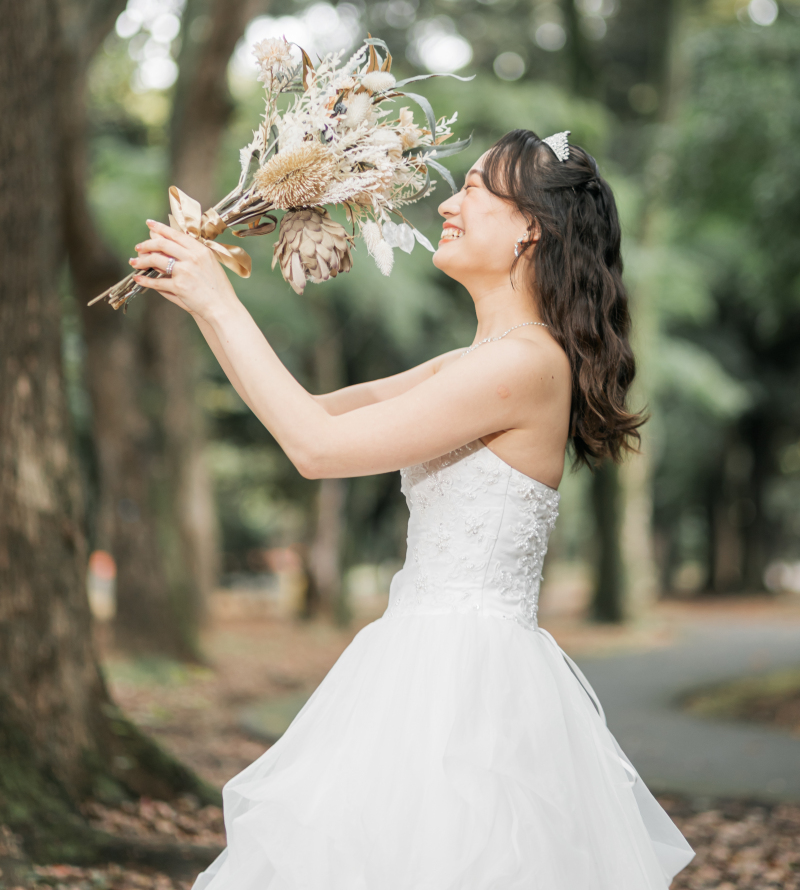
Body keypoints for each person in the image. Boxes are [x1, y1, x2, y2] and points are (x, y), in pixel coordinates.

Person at [130, 128, 694, 889]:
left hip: (462, 687)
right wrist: (202, 299)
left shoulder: (525, 365)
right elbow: (313, 413)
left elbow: (315, 451)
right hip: (418, 661)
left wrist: (217, 298)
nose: (446, 202)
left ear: (531, 225)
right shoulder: (479, 361)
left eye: (471, 187)